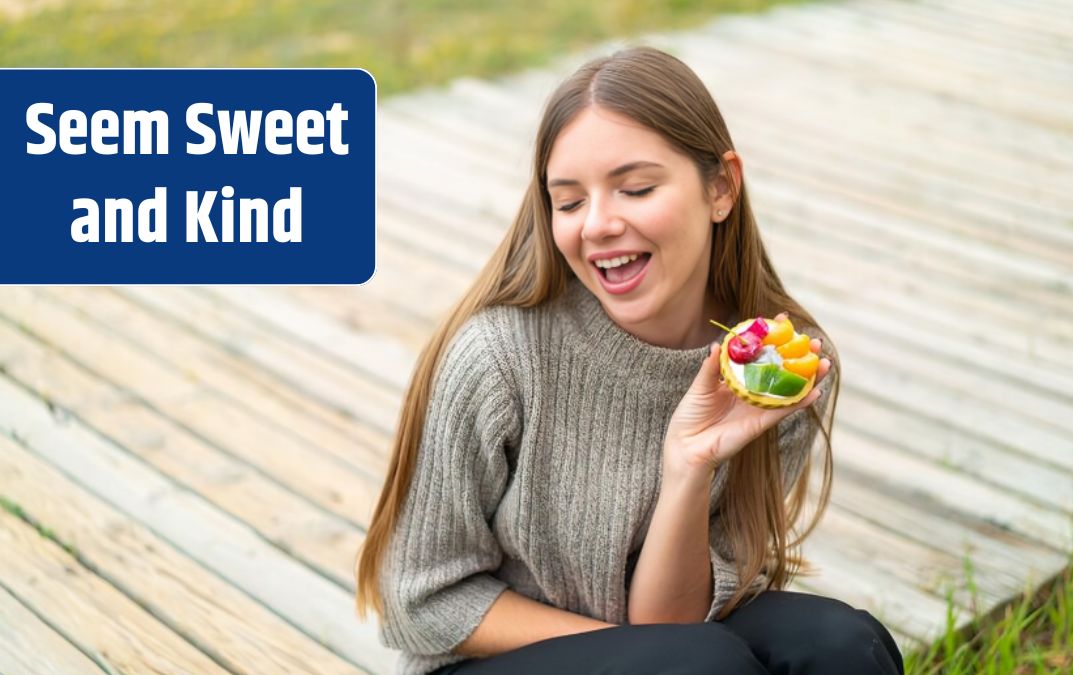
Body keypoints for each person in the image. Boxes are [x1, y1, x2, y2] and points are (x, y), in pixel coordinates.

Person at [354, 45, 905, 675]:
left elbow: (671, 624)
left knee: (840, 646)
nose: (598, 225)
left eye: (635, 188)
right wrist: (630, 652)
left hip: (674, 645)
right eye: (568, 202)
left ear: (721, 186)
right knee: (700, 666)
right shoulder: (500, 358)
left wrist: (690, 465)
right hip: (489, 662)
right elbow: (417, 601)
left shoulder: (778, 369)